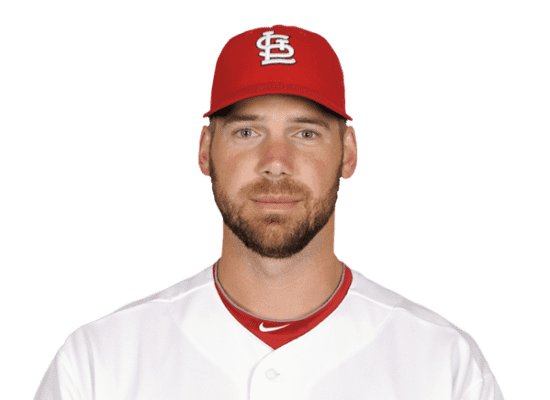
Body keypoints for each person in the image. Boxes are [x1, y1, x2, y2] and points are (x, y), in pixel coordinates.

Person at [35, 24, 504, 399]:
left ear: (348, 152)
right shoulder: (99, 362)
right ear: (204, 150)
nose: (276, 162)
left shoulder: (442, 363)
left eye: (306, 133)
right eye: (247, 132)